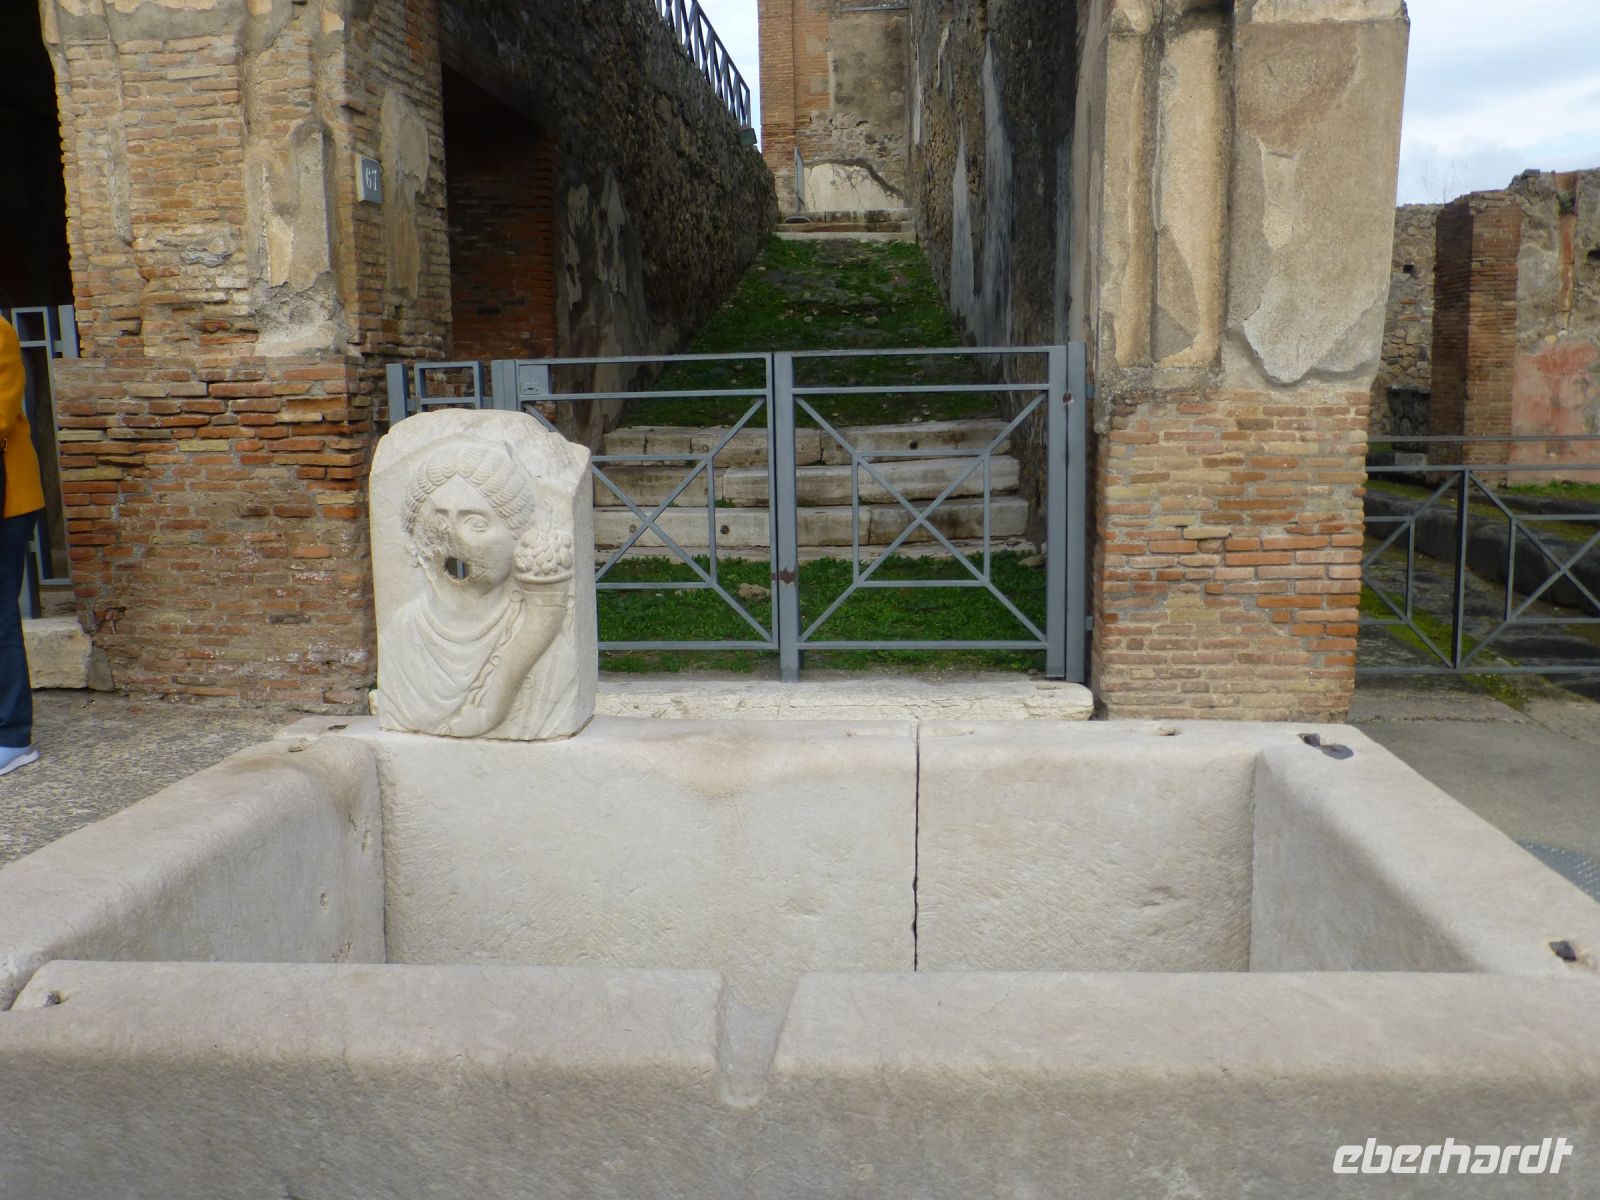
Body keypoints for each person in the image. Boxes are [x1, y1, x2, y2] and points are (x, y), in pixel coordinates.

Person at [379, 438, 578, 739]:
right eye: (438, 521)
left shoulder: (551, 648)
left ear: (518, 538)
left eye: (476, 524)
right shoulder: (402, 635)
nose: (453, 538)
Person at [0, 314, 44, 775]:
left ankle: (12, 735)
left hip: (8, 498)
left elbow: (2, 409)